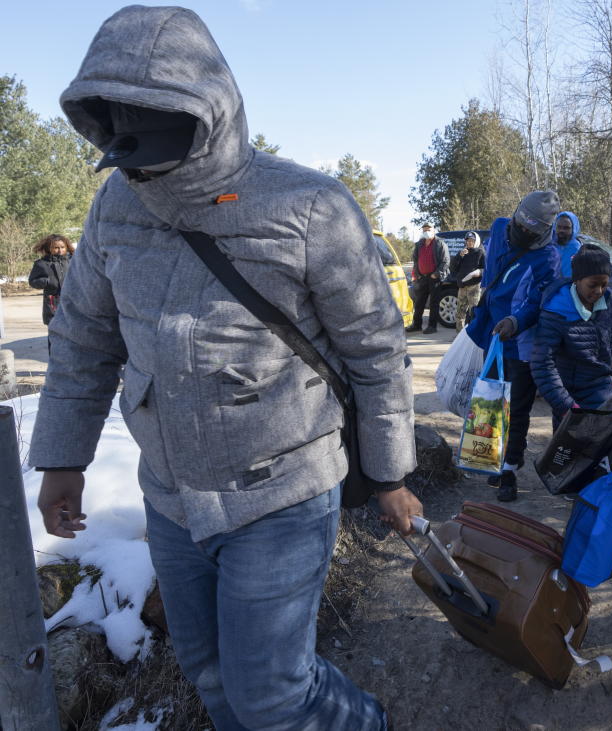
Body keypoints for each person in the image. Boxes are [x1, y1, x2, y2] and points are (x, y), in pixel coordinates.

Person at [30, 7, 421, 730]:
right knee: (212, 677)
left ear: (207, 115)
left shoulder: (310, 207)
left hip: (282, 497)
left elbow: (375, 346)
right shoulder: (115, 206)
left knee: (271, 692)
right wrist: (62, 457)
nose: (136, 162)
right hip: (171, 498)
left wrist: (392, 475)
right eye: (120, 137)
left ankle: (365, 722)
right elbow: (84, 338)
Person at [466, 191, 561, 501]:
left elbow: (538, 301)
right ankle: (487, 459)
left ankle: (509, 469)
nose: (520, 233)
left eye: (530, 232)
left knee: (516, 409)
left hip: (520, 343)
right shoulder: (498, 228)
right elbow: (491, 273)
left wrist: (516, 321)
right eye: (519, 225)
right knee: (489, 401)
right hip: (490, 334)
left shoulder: (547, 257)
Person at [530, 244, 612, 429]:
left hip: (602, 388)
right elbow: (542, 363)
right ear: (577, 280)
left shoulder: (608, 299)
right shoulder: (556, 310)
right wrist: (565, 405)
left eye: (604, 285)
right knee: (568, 451)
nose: (598, 291)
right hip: (570, 394)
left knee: (601, 447)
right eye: (593, 285)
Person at [407, 222, 450, 334]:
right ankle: (416, 325)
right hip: (422, 278)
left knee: (434, 303)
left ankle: (432, 326)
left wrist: (436, 274)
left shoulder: (440, 243)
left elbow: (446, 261)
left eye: (428, 229)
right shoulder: (419, 244)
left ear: (433, 230)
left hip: (435, 278)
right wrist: (417, 274)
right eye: (424, 229)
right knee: (419, 302)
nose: (426, 231)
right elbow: (416, 260)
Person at [29, 234, 74, 328]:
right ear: (49, 248)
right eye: (56, 248)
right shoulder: (41, 264)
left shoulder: (73, 261)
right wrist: (47, 281)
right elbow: (32, 281)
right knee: (55, 329)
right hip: (53, 301)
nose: (60, 250)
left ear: (67, 247)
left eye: (62, 247)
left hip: (72, 300)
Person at [449, 230, 485, 331]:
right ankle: (459, 334)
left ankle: (474, 334)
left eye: (472, 241)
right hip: (462, 286)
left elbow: (485, 269)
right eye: (468, 241)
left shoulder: (480, 252)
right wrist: (459, 256)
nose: (469, 243)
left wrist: (477, 273)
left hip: (474, 286)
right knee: (460, 312)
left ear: (476, 241)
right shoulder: (463, 252)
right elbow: (453, 268)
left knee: (474, 312)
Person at [553, 211, 582, 278]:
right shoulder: (550, 246)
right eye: (559, 227)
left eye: (566, 228)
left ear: (574, 229)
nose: (561, 230)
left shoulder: (577, 250)